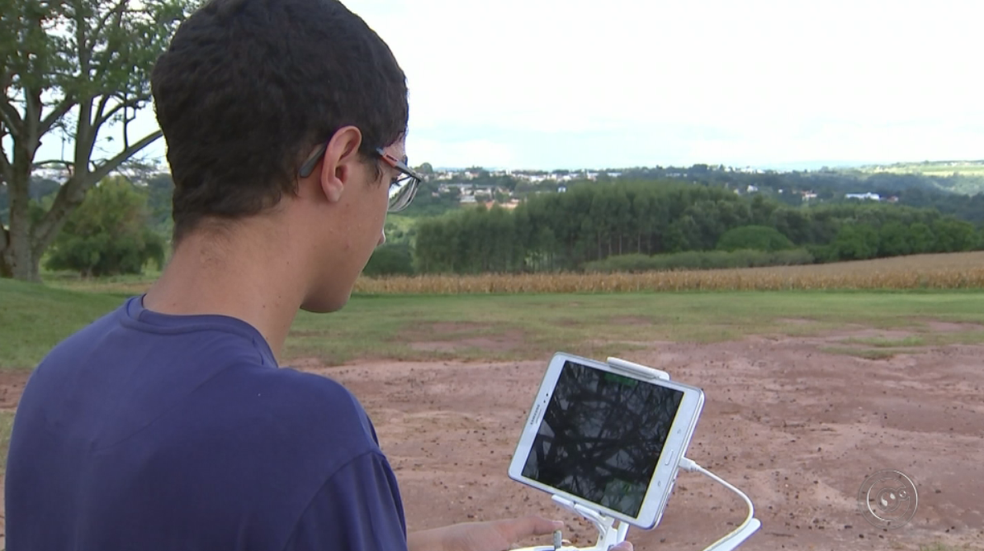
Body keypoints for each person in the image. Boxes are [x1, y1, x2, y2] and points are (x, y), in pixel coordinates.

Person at [4, 0, 633, 549]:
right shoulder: (304, 437)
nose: (384, 222)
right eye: (393, 175)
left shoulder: (61, 379)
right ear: (338, 164)